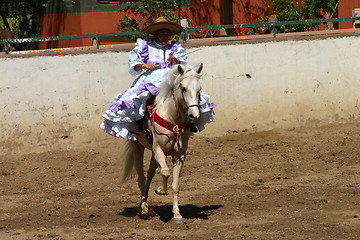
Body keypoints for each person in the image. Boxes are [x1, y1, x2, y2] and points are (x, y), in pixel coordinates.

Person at [100, 17, 215, 140]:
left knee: (193, 93)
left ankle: (192, 121)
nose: (166, 37)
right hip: (152, 77)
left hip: (172, 76)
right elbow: (133, 64)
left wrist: (175, 61)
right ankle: (138, 123)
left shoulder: (175, 47)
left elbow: (182, 64)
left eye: (167, 34)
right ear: (156, 34)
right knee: (137, 97)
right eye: (163, 34)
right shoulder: (145, 46)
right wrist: (145, 65)